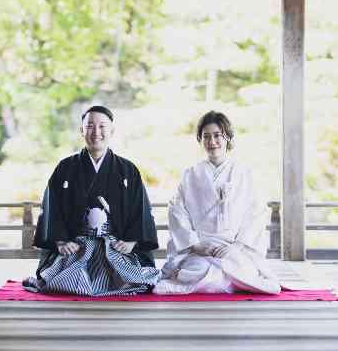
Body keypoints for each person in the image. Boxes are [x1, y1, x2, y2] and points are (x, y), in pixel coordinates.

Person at [23, 105, 160, 296]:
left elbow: (140, 209)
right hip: (78, 246)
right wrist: (61, 241)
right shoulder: (66, 168)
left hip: (113, 246)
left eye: (102, 126)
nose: (96, 132)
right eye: (90, 126)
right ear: (82, 131)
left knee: (137, 279)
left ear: (112, 131)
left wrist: (131, 241)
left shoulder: (127, 170)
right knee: (57, 281)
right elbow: (52, 207)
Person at [153, 110, 281, 295]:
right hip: (201, 249)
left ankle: (230, 276)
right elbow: (177, 211)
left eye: (217, 136)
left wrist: (235, 247)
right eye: (206, 137)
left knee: (240, 271)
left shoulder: (244, 174)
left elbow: (256, 213)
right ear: (200, 140)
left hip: (234, 248)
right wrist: (196, 245)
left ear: (227, 137)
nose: (212, 142)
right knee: (198, 272)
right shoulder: (191, 174)